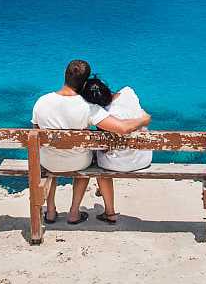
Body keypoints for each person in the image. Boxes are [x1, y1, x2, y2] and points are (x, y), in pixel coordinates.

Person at [31, 60, 150, 224]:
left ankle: (50, 211)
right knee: (90, 161)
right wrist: (143, 120)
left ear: (65, 75)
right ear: (84, 82)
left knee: (50, 161)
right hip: (78, 163)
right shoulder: (88, 107)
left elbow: (37, 131)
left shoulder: (41, 102)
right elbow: (122, 128)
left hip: (49, 161)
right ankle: (74, 212)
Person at [79, 76, 151, 223]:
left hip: (117, 164)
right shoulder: (128, 92)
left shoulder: (102, 115)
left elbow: (105, 148)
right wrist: (144, 119)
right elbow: (141, 114)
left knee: (98, 166)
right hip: (143, 158)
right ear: (104, 86)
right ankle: (104, 198)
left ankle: (110, 213)